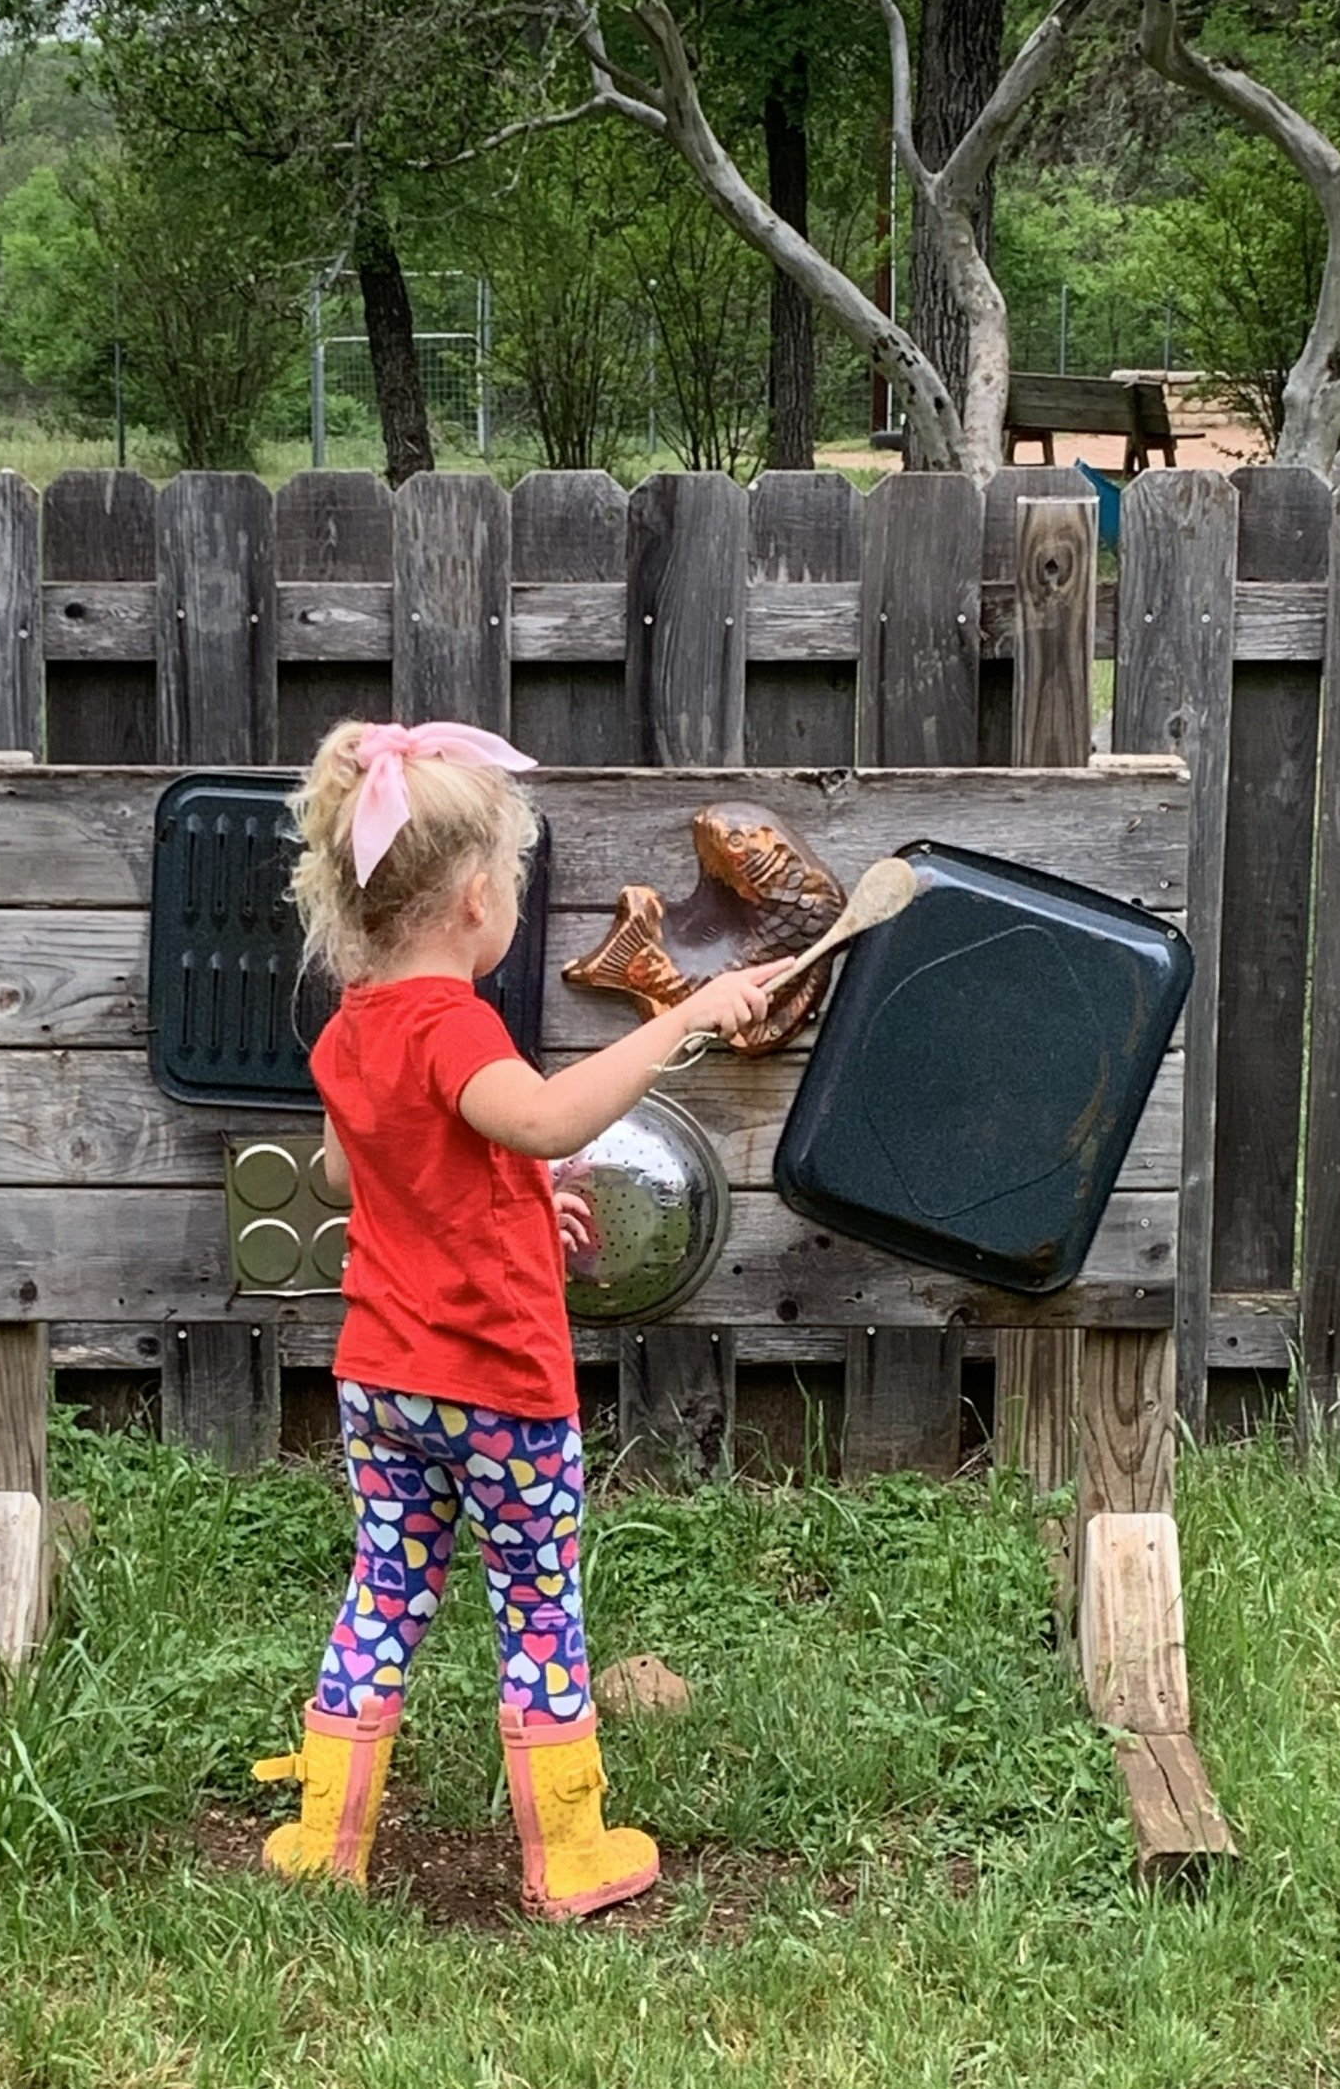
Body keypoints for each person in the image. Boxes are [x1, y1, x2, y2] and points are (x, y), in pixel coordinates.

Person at [252, 719, 790, 1920]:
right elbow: (543, 1118)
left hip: (383, 1380)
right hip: (496, 1379)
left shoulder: (349, 1028)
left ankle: (323, 1835)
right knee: (538, 1607)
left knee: (384, 1589)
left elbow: (352, 1173)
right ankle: (570, 1852)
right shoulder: (456, 1023)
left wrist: (500, 1192)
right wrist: (677, 1023)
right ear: (478, 898)